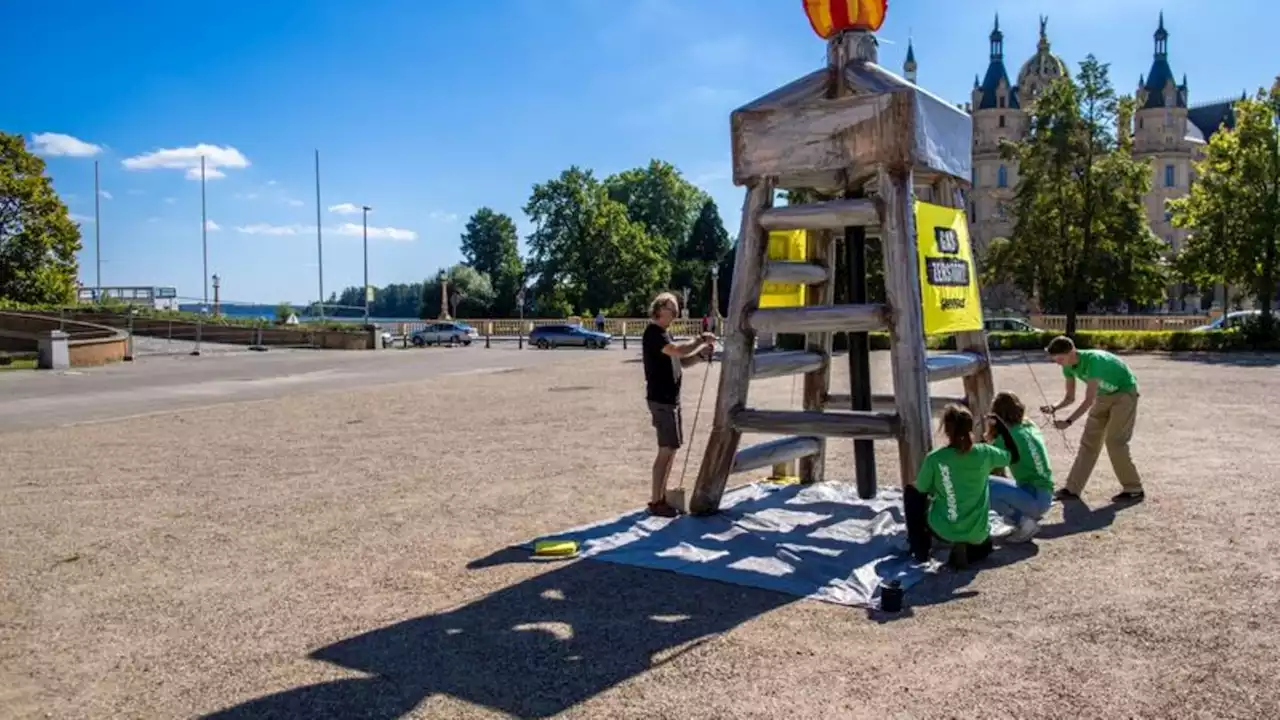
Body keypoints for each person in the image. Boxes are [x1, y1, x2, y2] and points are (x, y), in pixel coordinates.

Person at [914, 403, 1019, 569]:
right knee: (985, 545)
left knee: (912, 493)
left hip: (943, 529)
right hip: (977, 532)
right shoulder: (985, 452)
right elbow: (1013, 456)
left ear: (946, 429)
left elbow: (920, 490)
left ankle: (919, 548)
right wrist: (1001, 426)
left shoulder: (935, 458)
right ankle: (968, 545)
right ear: (970, 427)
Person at [1041, 335, 1145, 503]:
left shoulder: (1094, 360)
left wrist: (1068, 421)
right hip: (1103, 396)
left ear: (1071, 352)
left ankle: (1134, 488)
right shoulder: (1067, 366)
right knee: (1089, 442)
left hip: (1124, 393)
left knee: (1115, 442)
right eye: (1055, 360)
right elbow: (1070, 397)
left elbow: (1088, 400)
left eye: (1060, 358)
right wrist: (1054, 407)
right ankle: (1072, 489)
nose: (1058, 363)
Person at [642, 292, 717, 517]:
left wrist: (701, 355)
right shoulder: (654, 333)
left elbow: (682, 361)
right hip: (662, 401)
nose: (675, 311)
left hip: (669, 400)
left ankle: (661, 498)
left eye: (676, 307)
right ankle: (656, 501)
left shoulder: (663, 334)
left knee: (671, 449)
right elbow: (678, 351)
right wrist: (700, 340)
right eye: (671, 307)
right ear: (659, 309)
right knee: (666, 450)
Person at [986, 391, 1054, 543]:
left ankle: (1022, 521)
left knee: (985, 485)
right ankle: (1020, 516)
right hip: (1045, 493)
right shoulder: (1029, 425)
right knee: (996, 484)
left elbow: (986, 465)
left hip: (1035, 498)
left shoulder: (1006, 437)